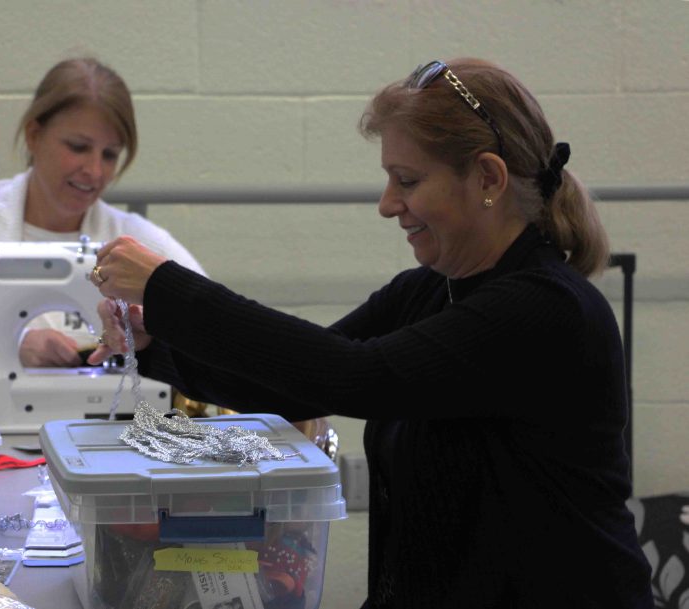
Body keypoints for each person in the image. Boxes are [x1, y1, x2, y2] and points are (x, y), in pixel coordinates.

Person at [86, 58, 653, 608]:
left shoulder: (546, 310)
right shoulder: (428, 292)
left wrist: (168, 288)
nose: (388, 205)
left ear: (487, 178)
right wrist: (154, 343)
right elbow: (298, 388)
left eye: (407, 180)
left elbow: (355, 376)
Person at [0, 56, 204, 379]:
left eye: (109, 155)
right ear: (34, 135)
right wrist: (9, 347)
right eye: (78, 147)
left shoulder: (140, 242)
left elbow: (217, 337)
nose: (94, 171)